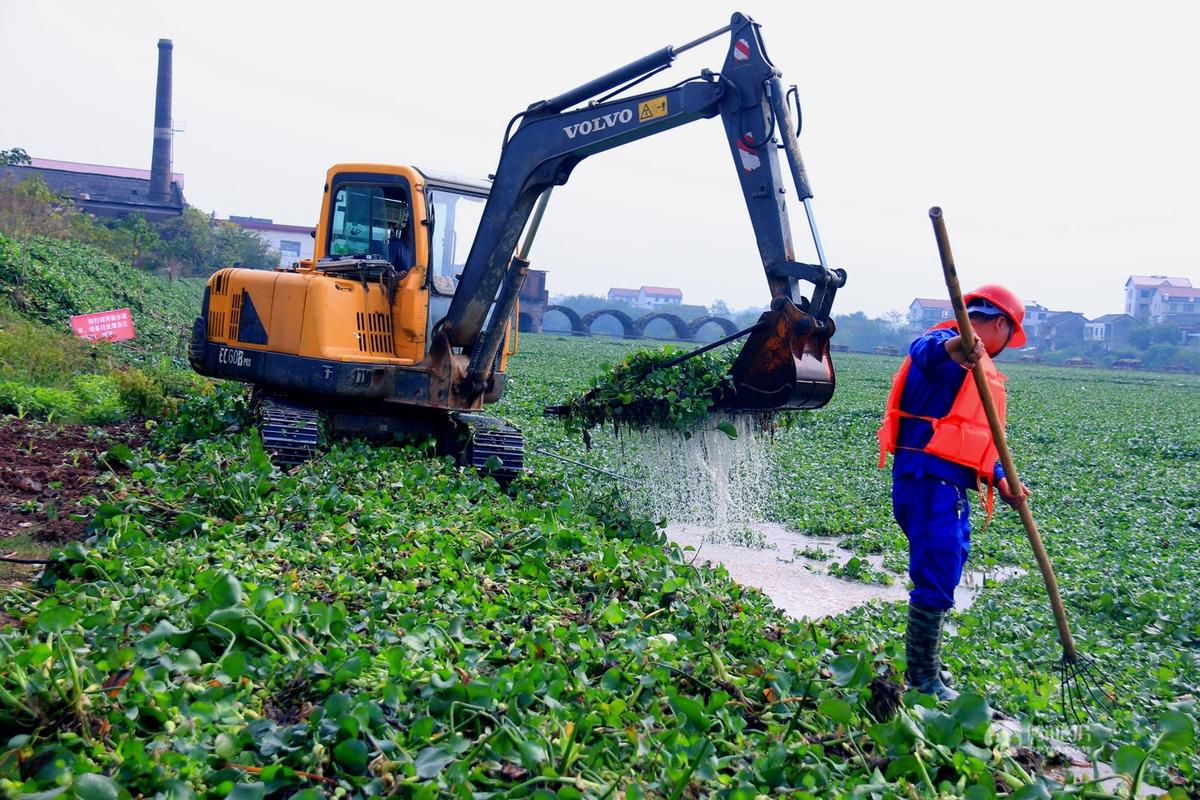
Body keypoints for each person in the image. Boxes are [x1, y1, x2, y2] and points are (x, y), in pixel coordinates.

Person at [877, 285, 1032, 701]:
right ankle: (923, 676)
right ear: (1000, 323)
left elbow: (977, 437)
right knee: (938, 564)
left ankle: (929, 665)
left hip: (953, 483)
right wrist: (960, 344)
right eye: (1008, 335)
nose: (1004, 349)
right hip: (926, 477)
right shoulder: (944, 344)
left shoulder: (983, 371)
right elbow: (924, 350)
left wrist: (1001, 477)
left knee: (948, 564)